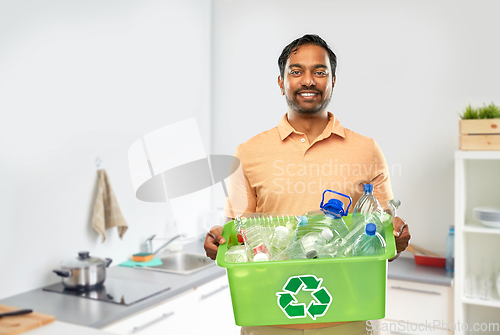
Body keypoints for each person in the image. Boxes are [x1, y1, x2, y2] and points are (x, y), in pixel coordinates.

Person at [204, 34, 410, 335]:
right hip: (267, 313)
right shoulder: (247, 153)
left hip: (348, 315)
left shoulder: (367, 150)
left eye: (320, 71)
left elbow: (379, 238)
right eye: (296, 71)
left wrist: (396, 239)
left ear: (333, 81)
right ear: (281, 82)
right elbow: (238, 235)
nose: (308, 81)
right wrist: (219, 239)